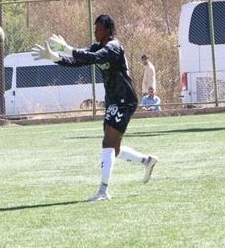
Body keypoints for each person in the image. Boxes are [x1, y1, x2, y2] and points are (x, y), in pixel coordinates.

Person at [32, 15, 159, 202]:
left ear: (109, 30)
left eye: (98, 28)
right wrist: (54, 57)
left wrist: (68, 48)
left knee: (107, 143)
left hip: (125, 100)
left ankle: (103, 190)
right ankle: (147, 161)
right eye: (95, 28)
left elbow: (94, 58)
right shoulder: (97, 47)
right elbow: (78, 60)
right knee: (113, 149)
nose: (95, 31)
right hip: (113, 100)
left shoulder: (114, 47)